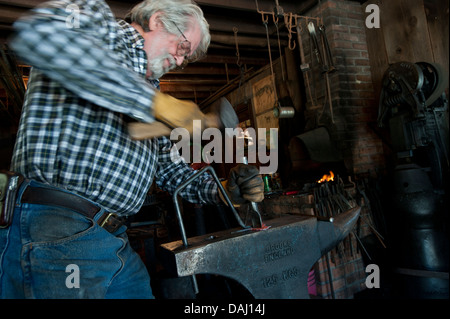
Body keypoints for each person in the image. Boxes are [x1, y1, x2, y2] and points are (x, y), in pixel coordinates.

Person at [0, 0, 263, 299]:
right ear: (158, 20)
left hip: (113, 237)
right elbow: (43, 34)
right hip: (57, 227)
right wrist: (150, 105)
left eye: (186, 58)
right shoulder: (97, 25)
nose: (179, 61)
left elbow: (172, 171)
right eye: (182, 47)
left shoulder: (152, 90)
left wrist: (224, 191)